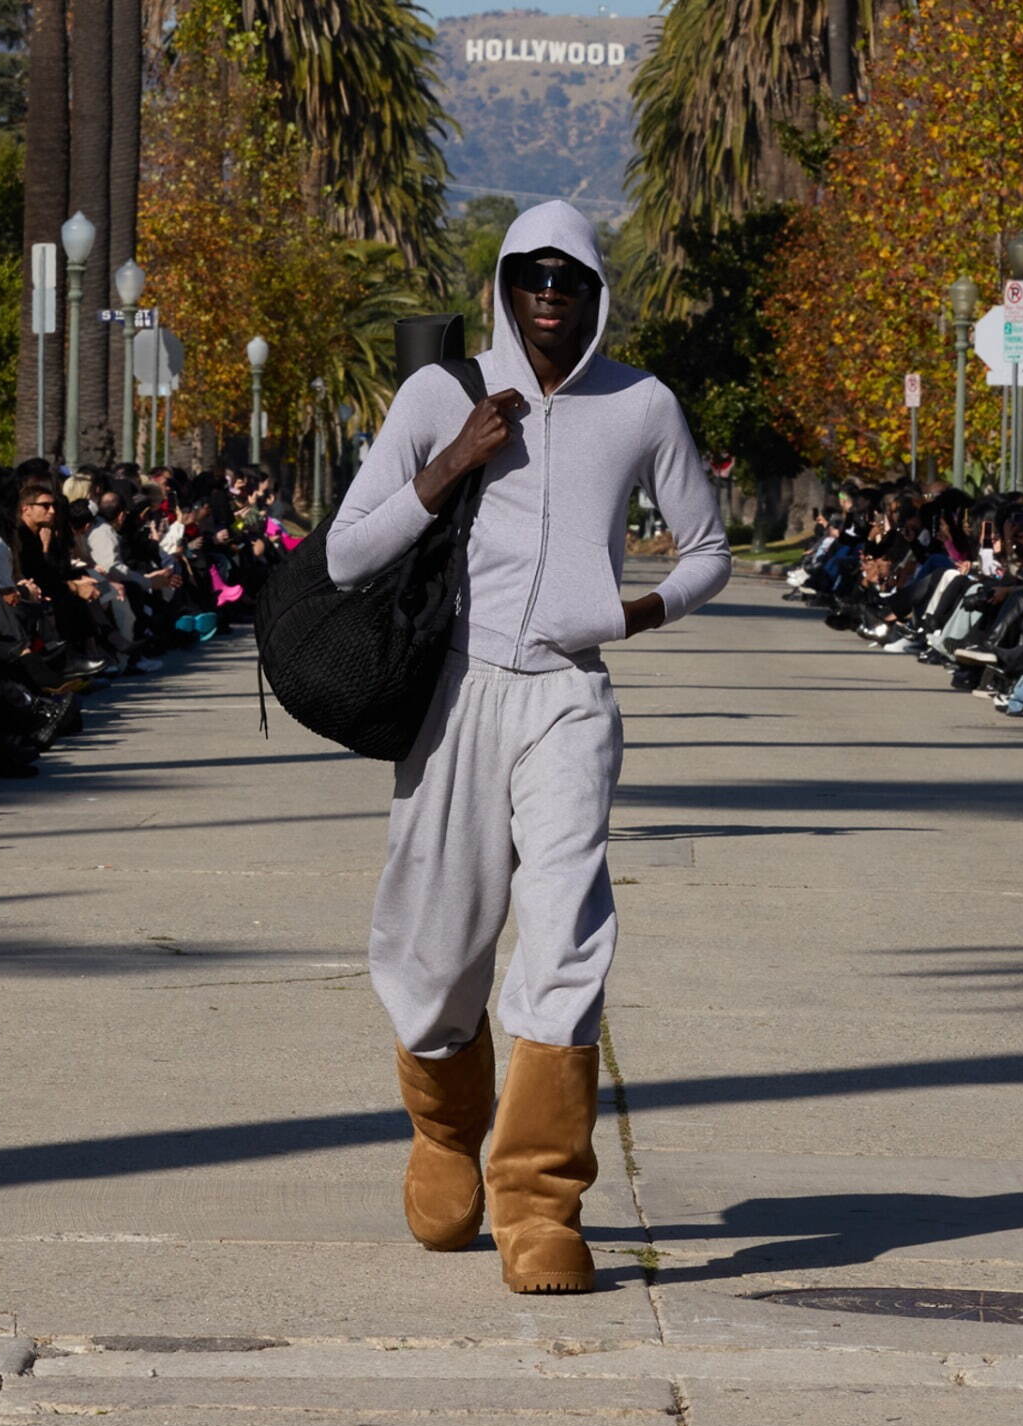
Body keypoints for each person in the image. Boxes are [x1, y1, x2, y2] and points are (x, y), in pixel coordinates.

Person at [326, 199, 731, 1294]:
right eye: (532, 273)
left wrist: (629, 615)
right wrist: (453, 461)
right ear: (505, 282)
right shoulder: (438, 394)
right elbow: (345, 553)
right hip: (455, 695)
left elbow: (707, 550)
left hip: (570, 698)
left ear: (598, 292)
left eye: (572, 276)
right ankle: (445, 1135)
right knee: (435, 945)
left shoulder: (642, 403)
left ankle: (542, 1204)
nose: (551, 290)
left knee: (565, 932)